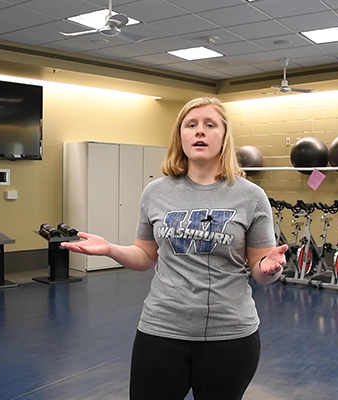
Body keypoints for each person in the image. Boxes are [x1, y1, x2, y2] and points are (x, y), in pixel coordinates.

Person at [61, 97, 287, 400]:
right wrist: (110, 249)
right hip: (161, 330)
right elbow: (145, 256)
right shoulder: (157, 192)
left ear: (224, 136)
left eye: (210, 125)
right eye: (191, 125)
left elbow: (261, 272)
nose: (200, 132)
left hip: (229, 334)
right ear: (180, 135)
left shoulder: (251, 196)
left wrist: (270, 269)